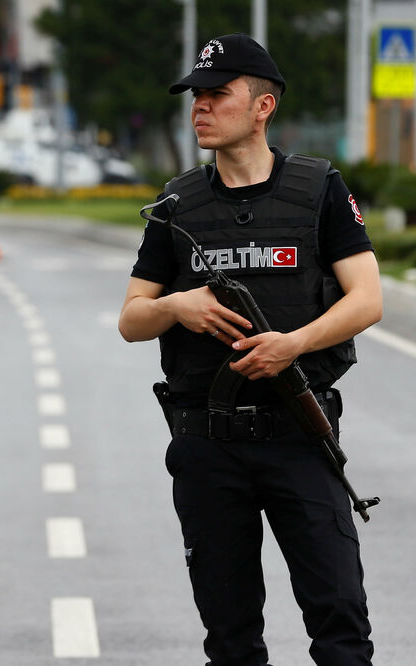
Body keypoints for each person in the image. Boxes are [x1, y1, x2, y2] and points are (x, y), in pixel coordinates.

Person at [118, 33, 381, 666]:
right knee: (231, 639)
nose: (200, 107)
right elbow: (131, 319)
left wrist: (294, 344)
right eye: (195, 96)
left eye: (217, 94)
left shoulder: (318, 188)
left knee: (341, 624)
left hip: (299, 432)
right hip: (208, 445)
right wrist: (176, 307)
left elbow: (367, 299)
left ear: (264, 106)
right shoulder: (177, 204)